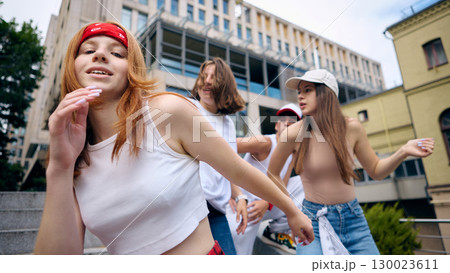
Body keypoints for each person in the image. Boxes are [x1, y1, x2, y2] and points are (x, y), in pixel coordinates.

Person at [33, 21, 314, 255]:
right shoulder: (70, 155)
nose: (101, 55)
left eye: (118, 53)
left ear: (131, 70)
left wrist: (291, 210)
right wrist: (59, 168)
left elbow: (236, 168)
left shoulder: (168, 111)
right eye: (89, 49)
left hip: (211, 215)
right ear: (72, 66)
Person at [268, 69, 435, 255]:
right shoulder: (293, 134)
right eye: (299, 91)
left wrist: (403, 151)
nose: (300, 96)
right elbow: (272, 173)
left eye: (308, 90)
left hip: (354, 220)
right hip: (312, 221)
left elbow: (376, 171)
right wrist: (292, 212)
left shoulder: (352, 128)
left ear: (326, 94)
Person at [226, 103, 305, 255]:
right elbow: (224, 149)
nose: (288, 127)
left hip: (268, 205)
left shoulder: (292, 151)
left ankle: (275, 232)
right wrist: (232, 190)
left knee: (305, 184)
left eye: (293, 125)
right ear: (277, 126)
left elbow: (284, 182)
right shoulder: (265, 143)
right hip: (245, 207)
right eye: (285, 123)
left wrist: (267, 203)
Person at [189, 57, 249, 255]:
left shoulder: (228, 123)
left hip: (215, 211)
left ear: (225, 85)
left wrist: (240, 196)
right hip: (188, 206)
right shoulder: (187, 109)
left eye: (213, 77)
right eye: (203, 76)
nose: (206, 81)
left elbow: (229, 165)